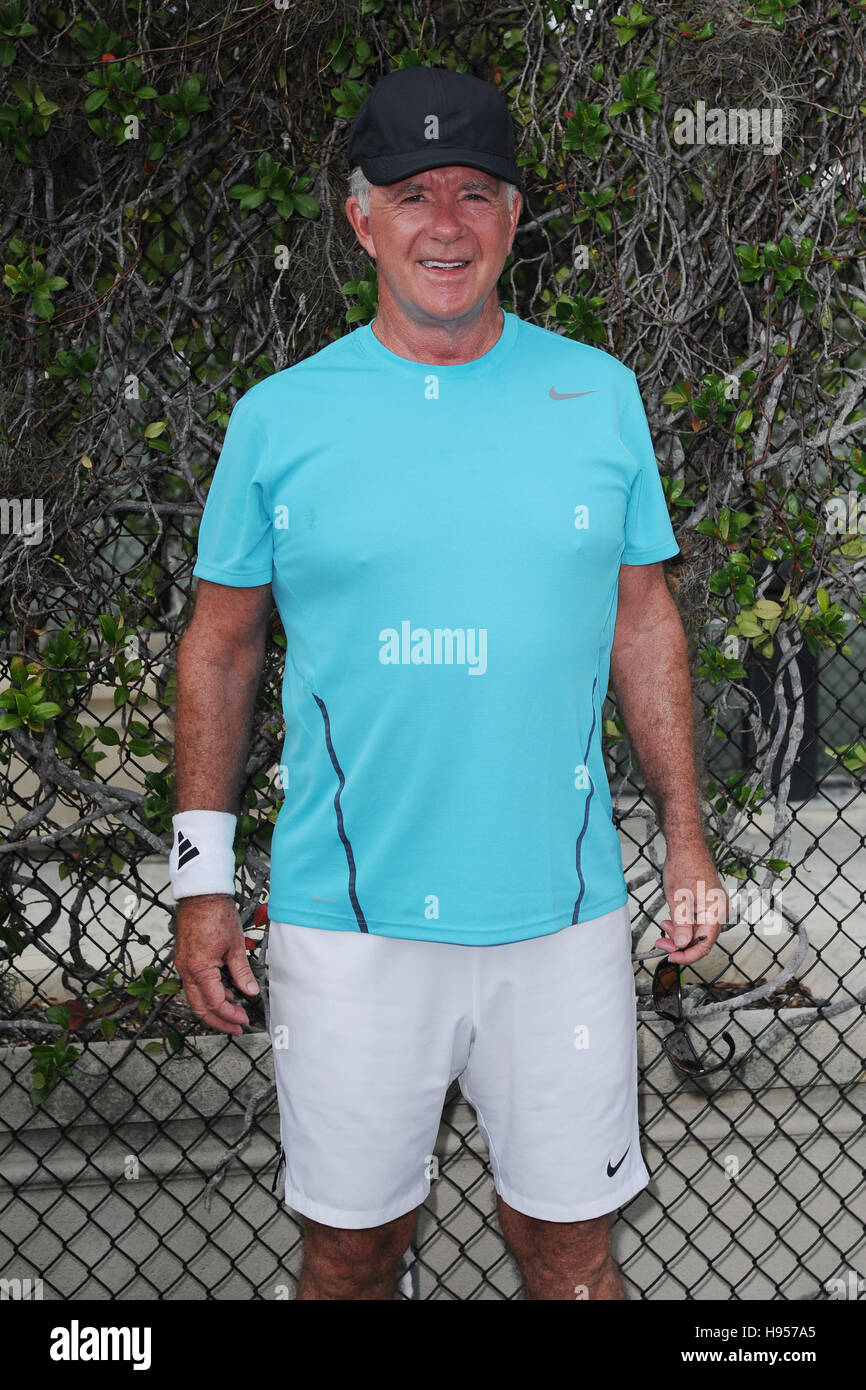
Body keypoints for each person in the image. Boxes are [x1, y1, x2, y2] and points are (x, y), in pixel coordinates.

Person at [172, 66, 728, 1300]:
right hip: (347, 925)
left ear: (514, 217)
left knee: (571, 1250)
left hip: (562, 918)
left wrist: (686, 841)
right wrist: (201, 881)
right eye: (410, 192)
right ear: (359, 216)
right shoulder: (279, 417)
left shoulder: (599, 395)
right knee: (354, 1253)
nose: (445, 222)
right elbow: (220, 644)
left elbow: (644, 622)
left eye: (475, 192)